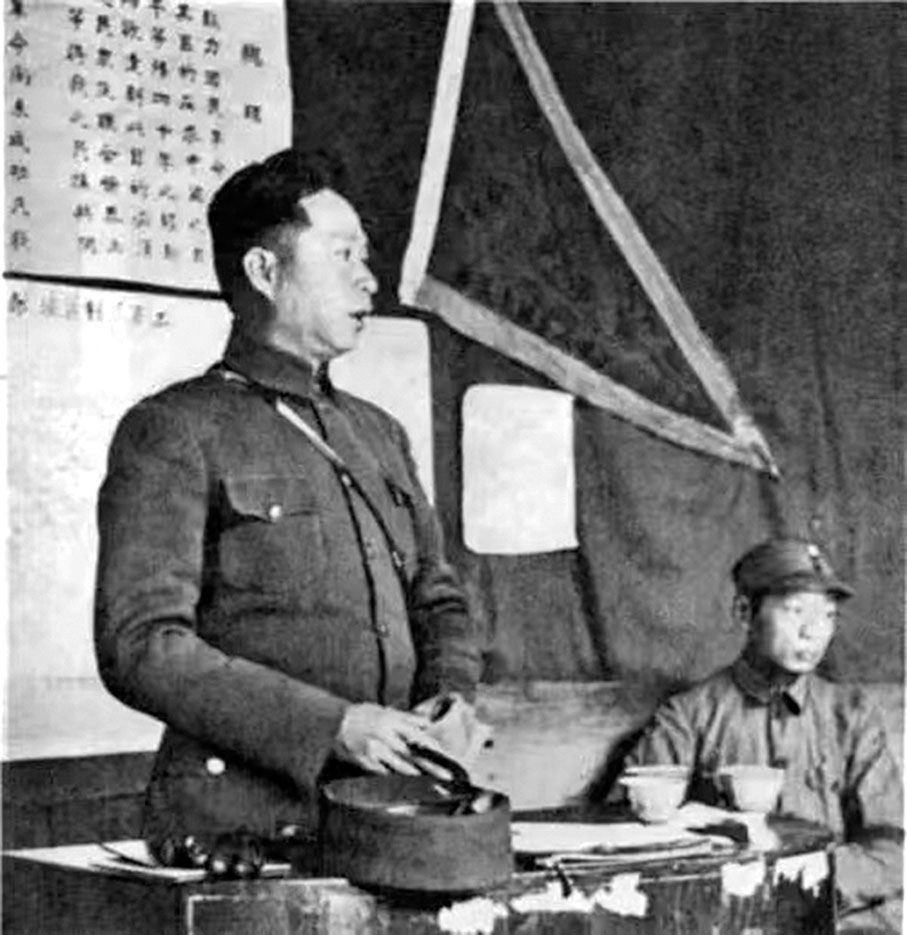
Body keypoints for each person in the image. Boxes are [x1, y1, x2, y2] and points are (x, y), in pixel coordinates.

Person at [94, 148, 482, 865]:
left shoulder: (377, 434)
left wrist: (450, 695)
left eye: (365, 256)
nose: (368, 279)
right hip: (234, 834)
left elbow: (439, 597)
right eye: (342, 255)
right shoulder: (175, 429)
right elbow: (140, 644)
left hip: (386, 819)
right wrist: (331, 726)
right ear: (264, 271)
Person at [625, 538, 903, 933]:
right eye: (795, 611)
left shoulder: (852, 716)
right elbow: (632, 834)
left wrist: (801, 884)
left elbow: (891, 850)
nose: (813, 631)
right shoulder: (688, 716)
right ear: (744, 612)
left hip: (836, 917)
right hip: (728, 919)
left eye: (828, 615)